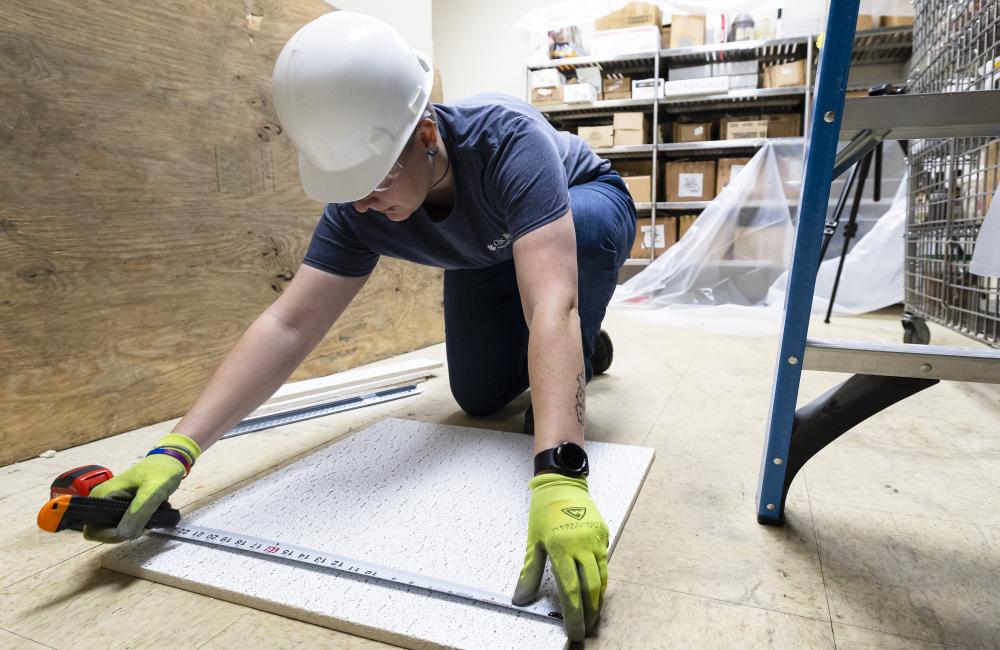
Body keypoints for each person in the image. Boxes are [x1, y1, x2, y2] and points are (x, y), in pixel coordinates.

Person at [84, 11, 635, 641]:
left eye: (373, 180)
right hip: (486, 253)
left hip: (584, 212)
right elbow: (289, 325)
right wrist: (174, 451)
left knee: (545, 414)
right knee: (480, 399)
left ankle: (576, 350)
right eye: (345, 187)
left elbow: (550, 305)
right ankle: (581, 352)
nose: (363, 203)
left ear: (427, 133)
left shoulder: (507, 139)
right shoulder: (358, 207)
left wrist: (561, 474)